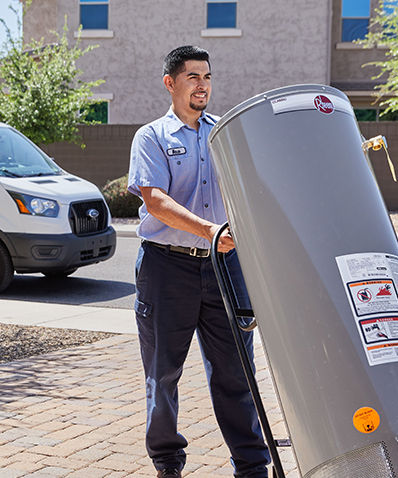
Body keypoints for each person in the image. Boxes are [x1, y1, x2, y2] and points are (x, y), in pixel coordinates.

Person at [127, 45, 267, 478]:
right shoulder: (152, 137)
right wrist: (209, 231)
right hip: (167, 267)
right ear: (171, 83)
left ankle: (252, 464)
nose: (202, 84)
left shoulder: (222, 133)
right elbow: (155, 201)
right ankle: (168, 462)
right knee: (163, 374)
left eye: (207, 76)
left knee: (236, 372)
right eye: (192, 76)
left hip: (225, 268)